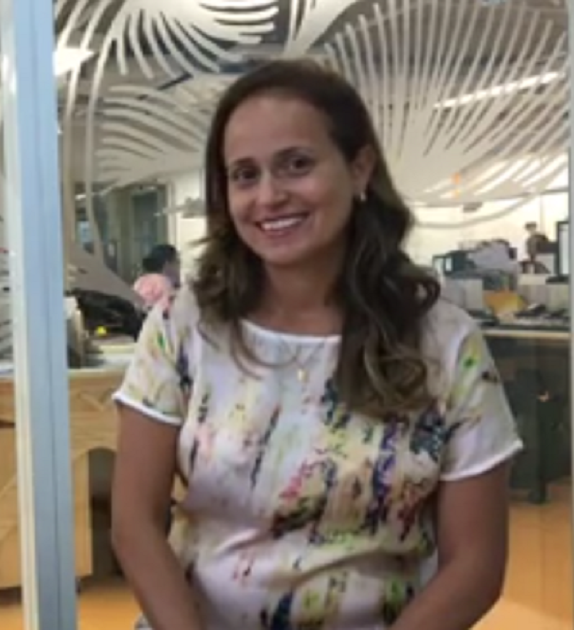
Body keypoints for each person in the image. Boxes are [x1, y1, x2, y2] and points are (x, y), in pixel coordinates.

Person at [110, 59, 522, 630]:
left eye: (297, 164)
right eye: (245, 175)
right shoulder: (184, 326)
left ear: (359, 168)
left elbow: (476, 563)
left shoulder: (444, 343)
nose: (269, 195)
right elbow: (133, 522)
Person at [132, 244, 181, 311]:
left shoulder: (140, 280)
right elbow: (170, 309)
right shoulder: (164, 282)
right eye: (177, 261)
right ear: (167, 264)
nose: (179, 265)